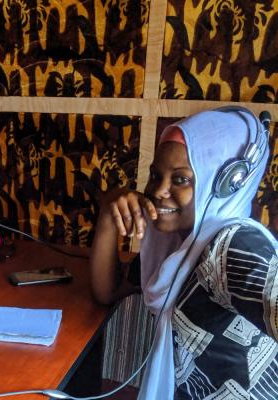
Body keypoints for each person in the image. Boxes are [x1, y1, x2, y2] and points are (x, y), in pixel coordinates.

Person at [90, 107, 278, 399]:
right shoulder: (175, 248)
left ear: (226, 185)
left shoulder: (235, 246)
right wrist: (107, 213)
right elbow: (107, 292)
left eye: (180, 180)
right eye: (155, 175)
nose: (158, 191)